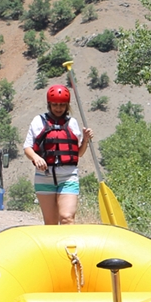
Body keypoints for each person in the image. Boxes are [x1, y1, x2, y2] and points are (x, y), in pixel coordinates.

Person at [23, 84, 91, 225]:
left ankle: (69, 247)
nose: (58, 108)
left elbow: (79, 153)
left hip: (68, 176)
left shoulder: (72, 123)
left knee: (67, 218)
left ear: (67, 105)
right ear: (49, 104)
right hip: (44, 177)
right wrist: (36, 157)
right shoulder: (38, 121)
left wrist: (85, 140)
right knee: (51, 223)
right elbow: (27, 148)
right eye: (55, 105)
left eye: (62, 105)